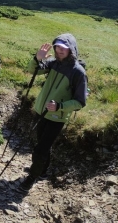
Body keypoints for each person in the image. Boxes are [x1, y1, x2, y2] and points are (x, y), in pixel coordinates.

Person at [19, 33, 88, 193]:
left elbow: (80, 102)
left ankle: (31, 178)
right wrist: (37, 58)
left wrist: (59, 106)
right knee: (42, 144)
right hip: (41, 111)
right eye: (57, 46)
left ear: (71, 49)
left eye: (63, 47)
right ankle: (42, 171)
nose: (59, 50)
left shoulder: (78, 72)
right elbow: (33, 71)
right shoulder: (53, 63)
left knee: (40, 149)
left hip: (57, 117)